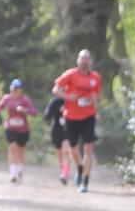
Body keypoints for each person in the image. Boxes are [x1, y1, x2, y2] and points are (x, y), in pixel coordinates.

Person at [53, 49, 102, 193]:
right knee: (73, 148)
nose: (84, 61)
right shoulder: (70, 74)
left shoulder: (96, 77)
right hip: (71, 117)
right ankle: (80, 168)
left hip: (88, 116)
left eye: (87, 58)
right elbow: (55, 90)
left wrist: (95, 101)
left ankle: (85, 182)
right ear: (78, 60)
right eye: (82, 58)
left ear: (90, 61)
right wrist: (68, 97)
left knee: (88, 148)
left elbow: (98, 96)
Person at [0, 80, 38, 183]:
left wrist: (24, 110)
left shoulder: (25, 99)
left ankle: (19, 170)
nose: (14, 91)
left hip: (23, 130)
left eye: (17, 89)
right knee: (12, 147)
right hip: (10, 128)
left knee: (20, 151)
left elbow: (34, 112)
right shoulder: (7, 98)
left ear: (21, 90)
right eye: (13, 88)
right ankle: (13, 173)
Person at [43, 94, 72, 185]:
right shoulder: (55, 101)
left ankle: (64, 174)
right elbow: (47, 115)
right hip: (56, 130)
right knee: (59, 153)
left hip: (69, 129)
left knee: (65, 151)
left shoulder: (72, 100)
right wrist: (58, 111)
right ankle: (63, 172)